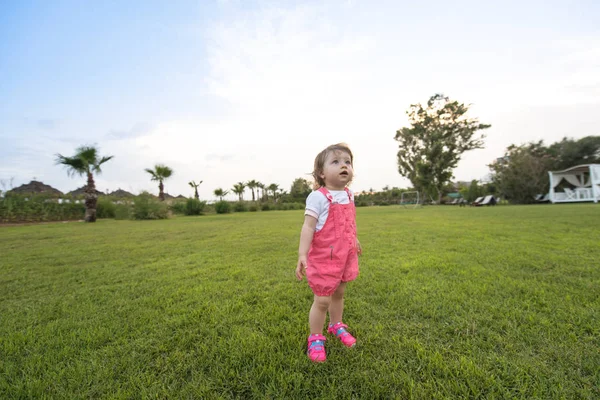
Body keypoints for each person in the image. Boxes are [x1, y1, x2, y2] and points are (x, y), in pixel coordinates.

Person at [295, 143, 362, 363]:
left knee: (339, 293)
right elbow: (308, 227)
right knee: (322, 300)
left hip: (346, 255)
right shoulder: (319, 197)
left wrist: (355, 239)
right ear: (321, 173)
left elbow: (348, 222)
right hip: (325, 258)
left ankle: (336, 325)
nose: (344, 165)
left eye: (347, 162)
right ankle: (315, 337)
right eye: (336, 161)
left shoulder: (349, 195)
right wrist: (302, 255)